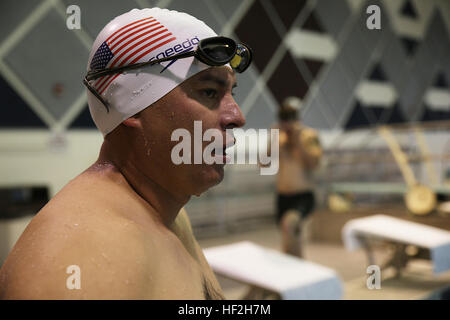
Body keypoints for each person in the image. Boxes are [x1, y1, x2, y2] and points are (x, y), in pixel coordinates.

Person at [0, 8, 252, 299]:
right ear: (131, 106)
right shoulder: (80, 256)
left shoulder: (167, 211)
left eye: (233, 93)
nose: (237, 116)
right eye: (209, 92)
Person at [274, 96, 322, 258]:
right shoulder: (279, 139)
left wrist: (298, 142)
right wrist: (274, 140)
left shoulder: (308, 136)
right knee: (289, 240)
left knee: (290, 225)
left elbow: (314, 164)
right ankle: (295, 268)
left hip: (302, 195)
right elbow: (265, 164)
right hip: (283, 195)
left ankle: (297, 269)